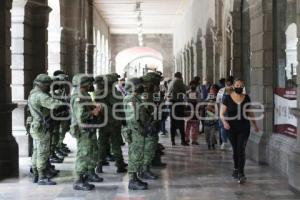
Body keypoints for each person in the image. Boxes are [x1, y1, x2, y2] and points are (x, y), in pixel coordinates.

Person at [220, 78, 260, 184]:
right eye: (237, 85)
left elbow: (250, 112)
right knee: (235, 149)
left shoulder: (246, 98)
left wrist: (255, 124)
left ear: (243, 87)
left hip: (244, 127)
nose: (239, 87)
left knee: (241, 149)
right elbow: (221, 113)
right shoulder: (227, 98)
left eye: (241, 86)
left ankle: (241, 173)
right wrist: (224, 122)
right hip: (231, 127)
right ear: (233, 86)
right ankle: (236, 168)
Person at [28, 74, 65, 185]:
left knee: (36, 151)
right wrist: (64, 104)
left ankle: (35, 175)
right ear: (42, 84)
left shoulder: (32, 93)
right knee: (43, 152)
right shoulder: (40, 96)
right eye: (48, 85)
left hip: (35, 126)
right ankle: (42, 177)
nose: (49, 87)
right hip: (42, 128)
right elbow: (54, 104)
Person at [70, 74, 103, 191]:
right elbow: (81, 116)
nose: (91, 85)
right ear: (84, 84)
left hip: (89, 129)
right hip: (84, 130)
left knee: (91, 152)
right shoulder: (78, 96)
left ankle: (88, 174)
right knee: (83, 154)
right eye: (89, 83)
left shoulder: (84, 95)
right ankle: (79, 180)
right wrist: (94, 112)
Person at [95, 74, 127, 174]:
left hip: (103, 122)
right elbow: (120, 107)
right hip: (114, 122)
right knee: (116, 144)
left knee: (101, 144)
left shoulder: (99, 93)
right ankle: (120, 165)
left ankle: (99, 165)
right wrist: (124, 119)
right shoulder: (115, 93)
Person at [123, 77, 149, 190]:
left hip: (138, 130)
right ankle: (132, 180)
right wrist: (140, 129)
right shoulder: (130, 99)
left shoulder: (135, 98)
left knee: (138, 155)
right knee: (135, 155)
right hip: (135, 131)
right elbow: (133, 118)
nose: (142, 87)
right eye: (139, 85)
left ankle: (135, 177)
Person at [167, 72, 187, 146]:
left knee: (173, 123)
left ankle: (172, 140)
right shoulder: (179, 81)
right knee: (181, 122)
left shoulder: (171, 82)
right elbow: (184, 91)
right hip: (178, 104)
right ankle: (183, 140)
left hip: (172, 104)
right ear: (180, 76)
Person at [216, 76, 234, 150]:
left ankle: (231, 143)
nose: (228, 86)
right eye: (227, 84)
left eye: (230, 84)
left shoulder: (235, 90)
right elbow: (218, 101)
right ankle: (224, 142)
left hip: (232, 112)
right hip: (223, 112)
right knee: (223, 127)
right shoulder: (221, 91)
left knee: (231, 127)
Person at [185, 80, 201, 145]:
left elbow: (199, 101)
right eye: (192, 85)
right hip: (188, 111)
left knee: (195, 126)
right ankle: (186, 139)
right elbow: (185, 101)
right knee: (187, 126)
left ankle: (194, 140)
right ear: (190, 85)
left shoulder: (198, 93)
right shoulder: (187, 93)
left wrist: (195, 99)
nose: (193, 86)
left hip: (196, 110)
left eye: (194, 85)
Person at [204, 85, 219, 150]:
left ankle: (212, 144)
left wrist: (212, 109)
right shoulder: (208, 97)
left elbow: (218, 109)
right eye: (210, 89)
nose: (211, 90)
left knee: (212, 133)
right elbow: (204, 105)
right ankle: (208, 143)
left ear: (216, 90)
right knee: (207, 133)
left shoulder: (218, 98)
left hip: (213, 119)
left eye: (213, 89)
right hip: (207, 119)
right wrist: (206, 107)